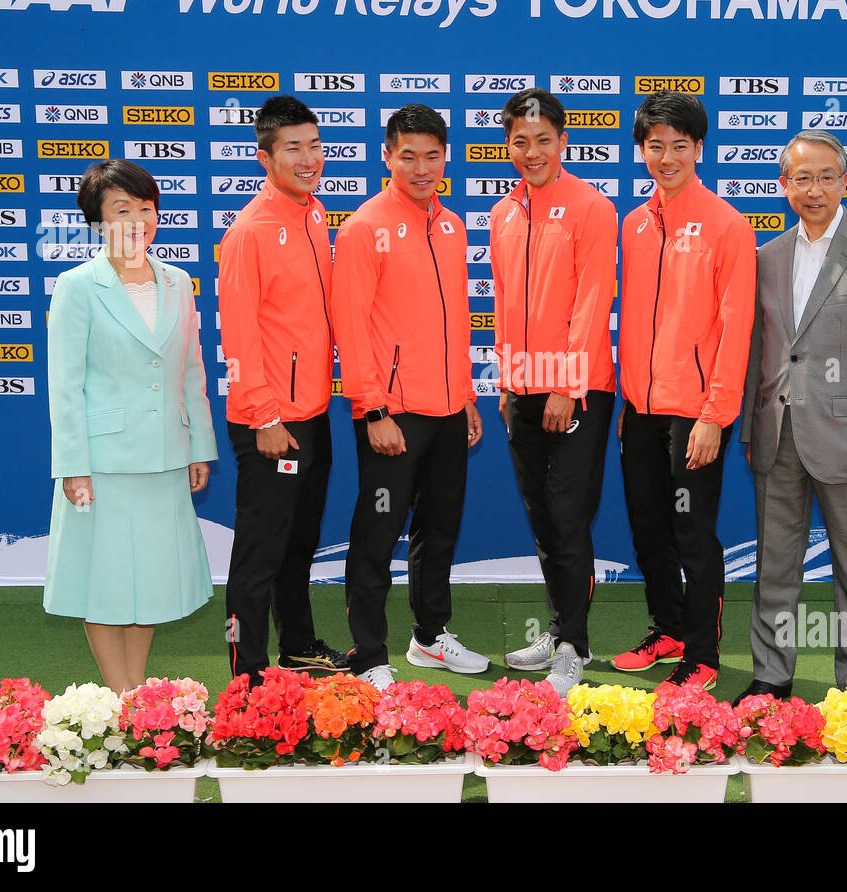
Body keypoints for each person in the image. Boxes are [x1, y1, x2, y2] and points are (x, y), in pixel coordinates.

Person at [733, 129, 847, 705]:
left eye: (826, 177)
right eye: (802, 178)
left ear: (845, 182)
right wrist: (749, 429)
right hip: (776, 437)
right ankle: (771, 677)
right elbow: (760, 352)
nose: (814, 189)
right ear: (783, 185)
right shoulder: (766, 256)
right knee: (773, 566)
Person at [46, 159, 216, 694]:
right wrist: (74, 467)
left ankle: (138, 694)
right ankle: (117, 696)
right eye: (122, 209)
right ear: (97, 220)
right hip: (105, 461)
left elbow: (191, 371)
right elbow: (65, 385)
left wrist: (199, 448)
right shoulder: (78, 286)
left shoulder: (177, 282)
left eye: (147, 208)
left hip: (166, 455)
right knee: (107, 582)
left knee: (152, 585)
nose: (138, 220)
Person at [331, 103, 486, 691]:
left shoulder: (450, 225)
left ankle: (429, 638)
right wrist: (373, 408)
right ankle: (369, 654)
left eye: (432, 156)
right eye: (408, 156)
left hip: (448, 412)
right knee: (376, 536)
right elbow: (352, 324)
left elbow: (454, 321)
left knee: (438, 532)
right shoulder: (365, 227)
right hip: (392, 414)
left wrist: (466, 394)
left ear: (446, 157)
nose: (421, 168)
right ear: (386, 157)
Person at [612, 91, 757, 691]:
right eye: (655, 146)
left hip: (696, 413)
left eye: (679, 146)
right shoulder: (635, 223)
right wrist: (628, 399)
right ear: (642, 150)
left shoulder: (727, 224)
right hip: (640, 409)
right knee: (648, 531)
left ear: (699, 148)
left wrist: (714, 415)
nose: (666, 157)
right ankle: (667, 629)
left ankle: (702, 654)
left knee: (692, 535)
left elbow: (735, 327)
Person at [488, 88, 618, 695]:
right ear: (507, 143)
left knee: (568, 518)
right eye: (520, 140)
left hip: (576, 390)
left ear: (563, 141)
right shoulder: (504, 212)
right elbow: (507, 306)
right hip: (521, 388)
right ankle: (561, 628)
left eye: (544, 139)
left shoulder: (591, 208)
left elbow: (592, 301)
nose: (532, 151)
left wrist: (566, 384)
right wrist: (508, 380)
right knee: (543, 519)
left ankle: (573, 646)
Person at [218, 95, 348, 685]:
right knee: (260, 554)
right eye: (293, 148)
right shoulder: (250, 230)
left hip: (313, 413)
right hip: (270, 421)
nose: (308, 158)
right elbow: (240, 337)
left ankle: (298, 648)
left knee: (300, 544)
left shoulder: (315, 214)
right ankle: (247, 678)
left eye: (314, 146)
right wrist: (266, 418)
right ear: (264, 155)